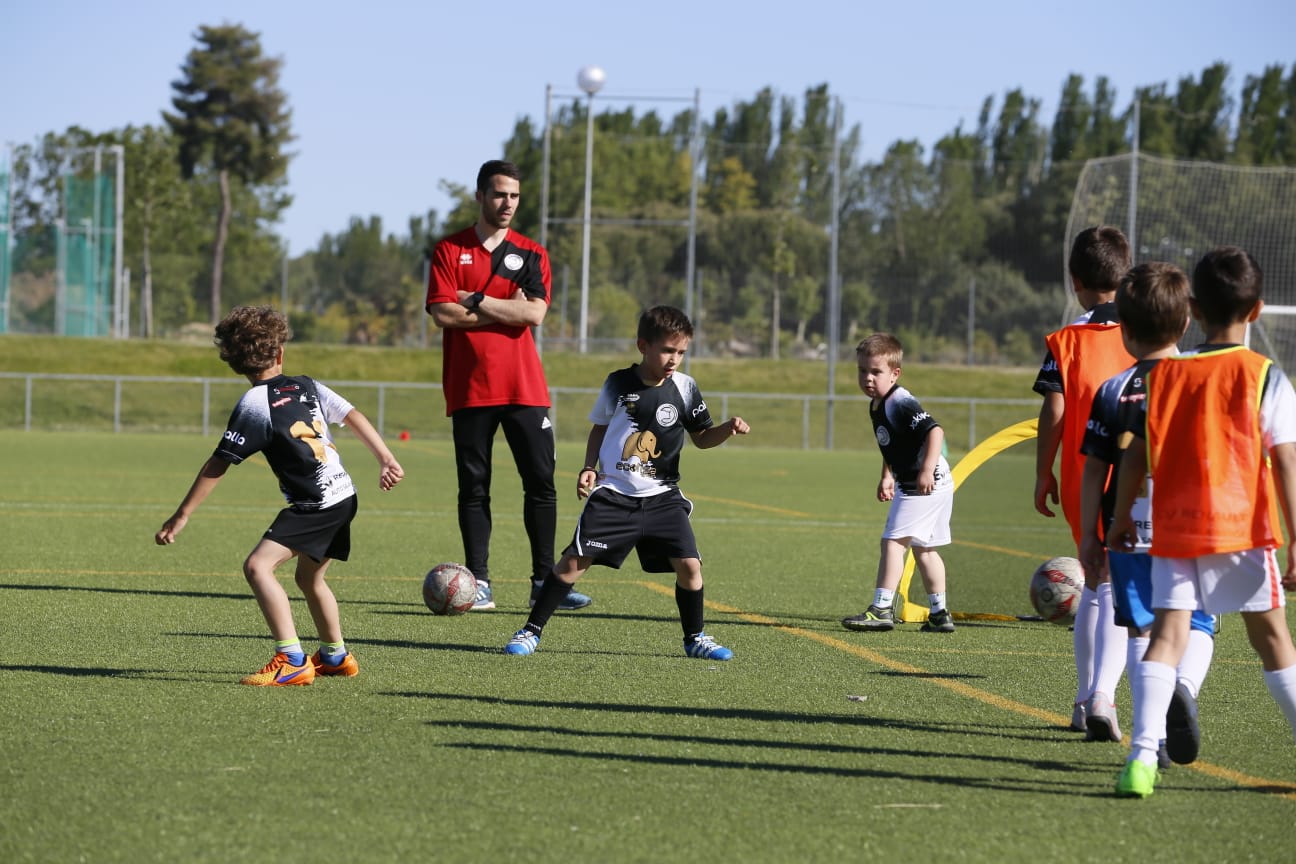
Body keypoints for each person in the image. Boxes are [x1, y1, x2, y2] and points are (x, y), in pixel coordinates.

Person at [1107, 247, 1296, 798]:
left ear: (1193, 307)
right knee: (1273, 641)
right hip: (1239, 529)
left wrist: (1122, 517)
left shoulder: (1165, 375)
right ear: (1257, 309)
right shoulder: (1266, 377)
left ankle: (1141, 761)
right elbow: (1284, 460)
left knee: (1166, 638)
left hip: (1172, 528)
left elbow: (1135, 452)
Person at [154, 306, 404, 686]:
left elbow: (220, 462)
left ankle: (291, 659)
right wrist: (385, 458)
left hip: (315, 505)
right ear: (280, 353)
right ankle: (335, 655)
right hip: (344, 496)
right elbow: (352, 415)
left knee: (257, 567)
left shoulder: (255, 404)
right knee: (310, 579)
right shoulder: (307, 385)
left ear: (234, 363)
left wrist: (182, 514)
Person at [501, 305, 750, 659]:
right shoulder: (618, 382)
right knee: (573, 563)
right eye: (667, 350)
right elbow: (600, 428)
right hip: (615, 494)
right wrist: (589, 467)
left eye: (681, 352)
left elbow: (702, 438)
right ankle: (530, 631)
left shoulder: (685, 387)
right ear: (643, 346)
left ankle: (695, 638)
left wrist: (727, 429)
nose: (673, 359)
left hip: (663, 496)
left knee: (690, 566)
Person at [426, 159, 591, 613]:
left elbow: (535, 314)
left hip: (524, 387)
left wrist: (476, 300)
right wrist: (506, 307)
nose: (507, 203)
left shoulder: (532, 253)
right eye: (499, 194)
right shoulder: (449, 250)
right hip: (470, 387)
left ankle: (544, 581)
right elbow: (442, 313)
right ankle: (479, 582)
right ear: (480, 196)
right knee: (474, 487)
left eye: (514, 196)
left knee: (541, 484)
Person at [1077, 263, 1215, 768]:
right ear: (1184, 327)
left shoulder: (1114, 390)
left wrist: (1092, 537)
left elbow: (1095, 470)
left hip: (1127, 524)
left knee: (1140, 627)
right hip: (1194, 523)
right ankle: (1182, 687)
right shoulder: (1202, 382)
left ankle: (1150, 733)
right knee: (1198, 623)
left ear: (1126, 333)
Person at [1033, 225, 1134, 737]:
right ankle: (1103, 698)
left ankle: (1081, 699)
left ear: (1075, 280)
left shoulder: (1066, 340)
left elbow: (1054, 409)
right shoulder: (1146, 331)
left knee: (1093, 579)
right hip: (1137, 477)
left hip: (1082, 475)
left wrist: (1041, 472)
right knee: (1118, 586)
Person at [842, 333, 956, 634]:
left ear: (895, 374)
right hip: (934, 481)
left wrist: (926, 470)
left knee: (893, 542)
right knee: (925, 549)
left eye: (876, 372)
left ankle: (881, 608)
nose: (867, 378)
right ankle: (939, 613)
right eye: (862, 371)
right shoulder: (878, 403)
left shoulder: (899, 401)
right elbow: (891, 444)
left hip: (923, 482)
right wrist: (886, 475)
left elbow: (935, 432)